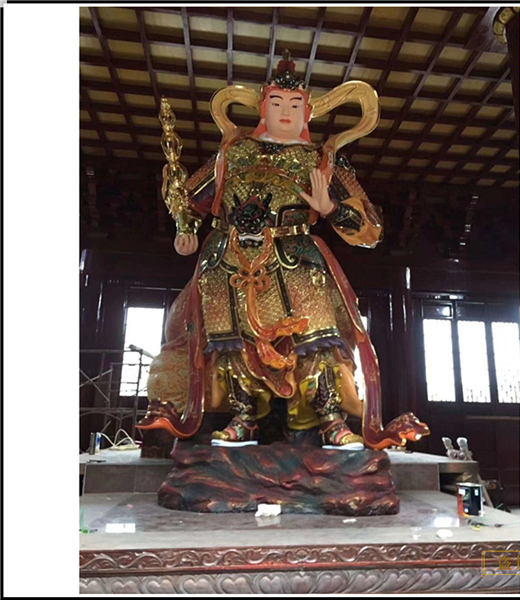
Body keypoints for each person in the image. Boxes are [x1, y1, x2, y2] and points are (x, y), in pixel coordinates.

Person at [137, 52, 429, 451]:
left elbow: (370, 228)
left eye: (295, 105)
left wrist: (330, 208)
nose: (286, 112)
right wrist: (185, 229)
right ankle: (243, 416)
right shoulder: (232, 152)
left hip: (295, 256)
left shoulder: (321, 158)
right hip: (230, 256)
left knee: (317, 335)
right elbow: (191, 201)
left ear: (307, 112)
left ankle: (329, 417)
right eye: (276, 103)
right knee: (230, 338)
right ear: (263, 109)